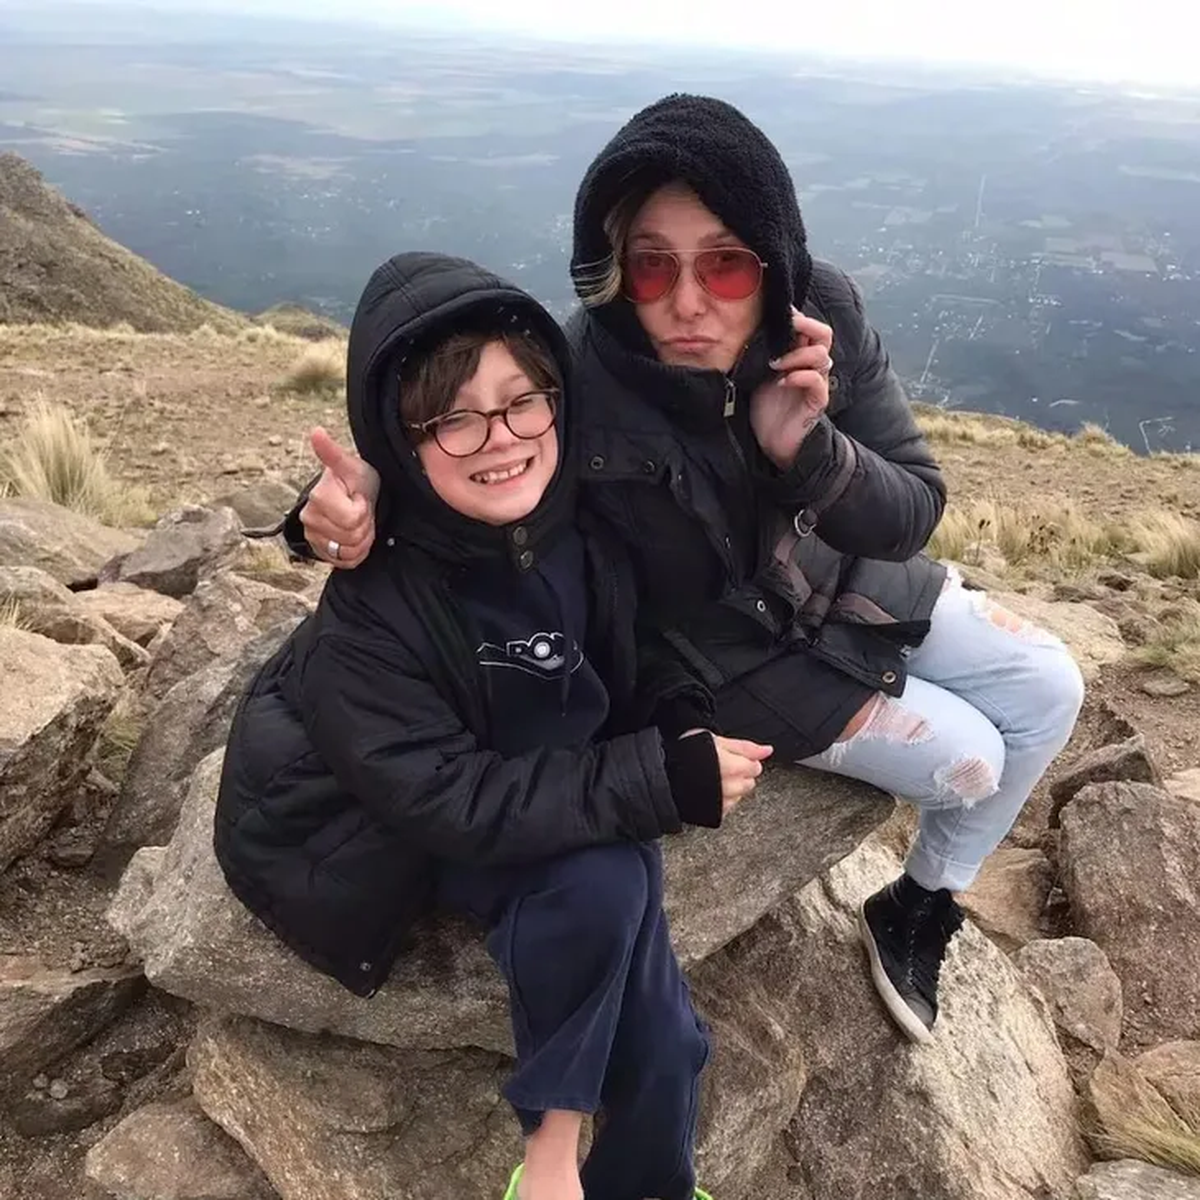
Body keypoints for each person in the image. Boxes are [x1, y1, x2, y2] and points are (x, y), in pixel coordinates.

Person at [283, 95, 1086, 1046]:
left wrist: (811, 450)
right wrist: (336, 511)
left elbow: (911, 509)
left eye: (728, 262)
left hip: (842, 578)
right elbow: (480, 446)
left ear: (774, 259)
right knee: (968, 761)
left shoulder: (819, 319)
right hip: (714, 653)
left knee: (1050, 687)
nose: (688, 300)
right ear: (614, 266)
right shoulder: (586, 372)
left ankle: (920, 905)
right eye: (652, 264)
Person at [216, 251, 774, 1200]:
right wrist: (650, 780)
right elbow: (446, 798)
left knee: (661, 1004)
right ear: (401, 440)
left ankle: (646, 1184)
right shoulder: (370, 609)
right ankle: (555, 1161)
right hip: (369, 830)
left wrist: (674, 723)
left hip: (509, 773)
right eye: (453, 417)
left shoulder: (578, 526)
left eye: (523, 400)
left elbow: (635, 649)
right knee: (615, 870)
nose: (499, 436)